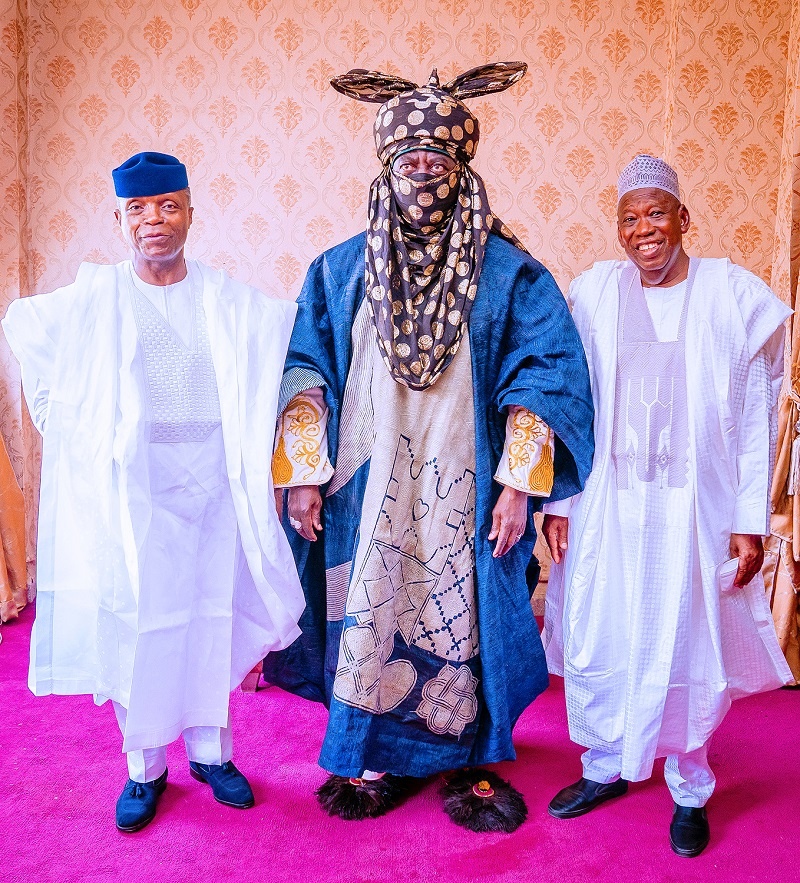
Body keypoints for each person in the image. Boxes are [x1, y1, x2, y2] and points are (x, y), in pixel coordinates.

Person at [263, 63, 595, 833]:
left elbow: (544, 377)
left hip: (465, 488)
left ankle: (461, 751)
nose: (423, 174)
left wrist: (520, 484)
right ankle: (370, 751)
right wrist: (305, 473)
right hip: (367, 487)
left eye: (437, 163)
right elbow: (304, 369)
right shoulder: (340, 268)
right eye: (409, 161)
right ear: (387, 167)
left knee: (463, 610)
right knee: (370, 608)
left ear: (461, 170)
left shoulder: (509, 272)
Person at [2, 152, 304, 832]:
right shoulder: (95, 297)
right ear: (119, 218)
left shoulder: (225, 297)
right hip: (133, 492)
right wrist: (70, 426)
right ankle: (144, 768)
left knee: (207, 615)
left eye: (168, 205)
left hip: (211, 486)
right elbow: (24, 327)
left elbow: (290, 329)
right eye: (138, 209)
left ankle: (212, 752)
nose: (154, 220)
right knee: (135, 621)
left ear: (191, 212)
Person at [542, 154, 793, 857]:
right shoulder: (593, 291)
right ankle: (604, 766)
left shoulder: (727, 294)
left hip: (692, 505)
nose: (643, 229)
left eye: (656, 213)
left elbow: (752, 411)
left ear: (684, 218)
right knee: (604, 630)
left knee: (688, 637)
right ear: (617, 230)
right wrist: (560, 498)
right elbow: (569, 398)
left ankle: (689, 784)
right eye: (629, 218)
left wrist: (750, 517)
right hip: (608, 503)